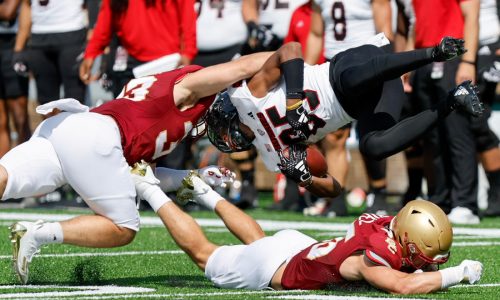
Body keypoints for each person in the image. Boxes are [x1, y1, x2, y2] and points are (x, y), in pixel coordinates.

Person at [2, 50, 272, 284]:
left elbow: (136, 174)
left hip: (66, 127)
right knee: (123, 227)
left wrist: (191, 177)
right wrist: (297, 65)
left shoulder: (159, 109)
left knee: (5, 178)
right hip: (97, 137)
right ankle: (37, 233)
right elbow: (243, 67)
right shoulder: (187, 92)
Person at [132, 166, 483, 293]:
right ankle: (146, 184)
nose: (427, 262)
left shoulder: (384, 222)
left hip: (296, 247)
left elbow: (412, 264)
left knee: (259, 241)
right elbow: (405, 286)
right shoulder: (372, 258)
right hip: (277, 267)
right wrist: (458, 273)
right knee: (204, 255)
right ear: (405, 237)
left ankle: (205, 192)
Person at [206, 39, 484, 197]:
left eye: (223, 131)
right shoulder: (271, 156)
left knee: (349, 82)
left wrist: (294, 102)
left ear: (226, 111)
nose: (227, 139)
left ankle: (434, 53)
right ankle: (454, 100)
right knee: (375, 147)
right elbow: (334, 187)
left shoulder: (247, 96)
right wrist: (306, 180)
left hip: (351, 68)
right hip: (369, 100)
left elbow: (290, 49)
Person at [305, 0, 395, 216]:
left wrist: (389, 64)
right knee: (334, 136)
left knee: (370, 131)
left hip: (366, 62)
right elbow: (316, 34)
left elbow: (385, 29)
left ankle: (378, 193)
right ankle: (337, 197)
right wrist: (305, 72)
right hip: (333, 67)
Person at [408, 0, 481, 224]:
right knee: (432, 137)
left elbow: (472, 15)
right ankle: (440, 201)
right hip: (424, 58)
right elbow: (417, 24)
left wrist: (468, 60)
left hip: (453, 56)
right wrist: (408, 61)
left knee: (457, 132)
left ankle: (465, 203)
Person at [79, 0, 197, 97]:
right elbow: (104, 26)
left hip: (169, 65)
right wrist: (90, 54)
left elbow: (188, 23)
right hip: (131, 65)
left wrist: (187, 55)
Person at [14, 0, 87, 105]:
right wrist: (18, 49)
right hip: (38, 36)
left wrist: (92, 35)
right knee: (46, 103)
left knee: (75, 100)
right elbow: (26, 5)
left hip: (71, 32)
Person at [0, 0, 31, 157]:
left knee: (20, 116)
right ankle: (2, 174)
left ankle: (26, 167)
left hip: (13, 45)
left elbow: (8, 11)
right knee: (1, 122)